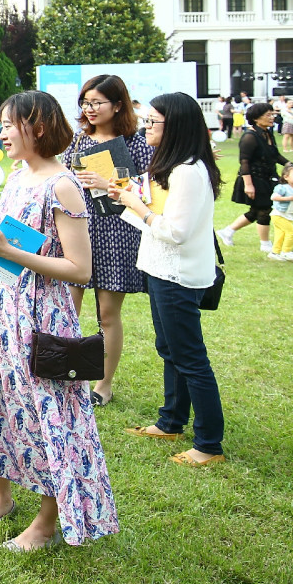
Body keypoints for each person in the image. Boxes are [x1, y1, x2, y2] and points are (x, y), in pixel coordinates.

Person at [0, 91, 118, 549]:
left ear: (40, 127)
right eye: (4, 124)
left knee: (51, 416)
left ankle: (48, 521)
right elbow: (4, 250)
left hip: (43, 314)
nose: (3, 132)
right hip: (3, 309)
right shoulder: (16, 177)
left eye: (12, 124)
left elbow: (80, 269)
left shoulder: (62, 185)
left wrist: (12, 253)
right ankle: (1, 496)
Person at [103, 92, 226, 467]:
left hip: (178, 274)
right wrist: (128, 199)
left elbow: (176, 232)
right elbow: (154, 217)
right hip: (159, 269)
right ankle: (170, 421)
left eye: (153, 121)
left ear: (175, 127)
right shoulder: (172, 166)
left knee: (190, 358)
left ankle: (208, 444)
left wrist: (135, 205)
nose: (146, 127)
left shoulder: (188, 170)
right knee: (170, 350)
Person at [64, 74, 153, 407]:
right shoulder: (77, 141)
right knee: (68, 308)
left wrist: (109, 180)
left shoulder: (134, 143)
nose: (89, 109)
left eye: (96, 102)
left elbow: (149, 190)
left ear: (118, 105)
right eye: (85, 102)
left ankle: (104, 384)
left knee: (108, 314)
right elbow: (59, 179)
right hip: (78, 231)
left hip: (118, 234)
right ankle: (67, 374)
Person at [216, 103, 290, 256]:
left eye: (272, 114)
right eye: (268, 115)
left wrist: (290, 166)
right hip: (253, 178)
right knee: (264, 209)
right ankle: (265, 243)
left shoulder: (267, 133)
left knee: (258, 210)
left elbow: (275, 155)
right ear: (256, 118)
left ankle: (228, 231)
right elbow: (244, 162)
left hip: (268, 176)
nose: (272, 118)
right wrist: (248, 185)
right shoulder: (249, 136)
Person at [267, 165, 293, 262]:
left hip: (288, 215)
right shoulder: (282, 188)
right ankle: (286, 252)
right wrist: (288, 198)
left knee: (280, 235)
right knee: (292, 233)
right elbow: (274, 197)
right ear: (286, 177)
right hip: (278, 214)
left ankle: (274, 253)